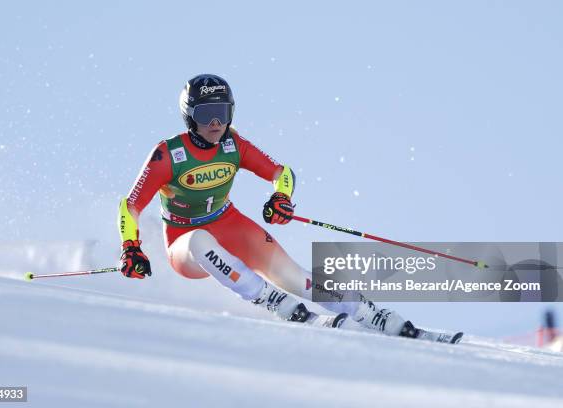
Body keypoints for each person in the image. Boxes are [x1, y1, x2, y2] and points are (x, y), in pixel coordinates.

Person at [117, 74, 418, 337]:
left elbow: (280, 173)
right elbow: (130, 206)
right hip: (184, 244)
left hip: (230, 224)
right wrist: (131, 246)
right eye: (206, 113)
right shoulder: (168, 154)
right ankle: (271, 300)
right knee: (199, 240)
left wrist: (281, 198)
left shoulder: (233, 145)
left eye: (221, 112)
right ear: (189, 116)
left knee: (296, 277)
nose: (215, 123)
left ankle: (369, 313)